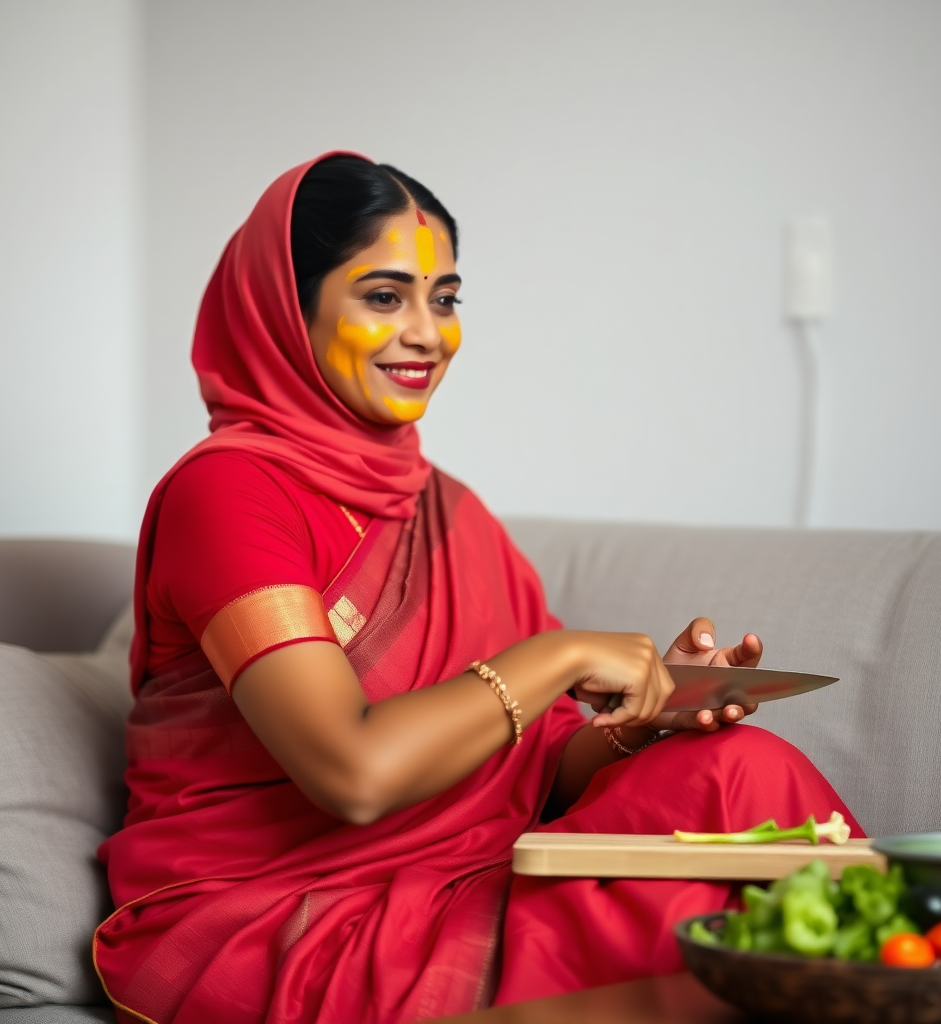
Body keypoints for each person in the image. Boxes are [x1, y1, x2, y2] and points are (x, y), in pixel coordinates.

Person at [93, 153, 861, 1024]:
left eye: (446, 298)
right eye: (385, 297)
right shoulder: (228, 493)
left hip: (474, 863)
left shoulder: (448, 511)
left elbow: (539, 770)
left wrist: (638, 726)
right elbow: (354, 772)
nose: (427, 333)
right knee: (710, 946)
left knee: (740, 771)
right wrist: (559, 655)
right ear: (287, 308)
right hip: (281, 907)